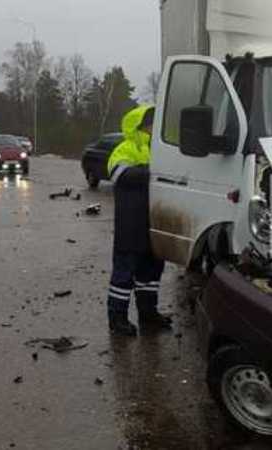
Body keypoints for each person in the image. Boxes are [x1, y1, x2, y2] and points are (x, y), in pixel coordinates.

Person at [106, 105, 172, 336]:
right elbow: (117, 174)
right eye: (152, 123)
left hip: (155, 223)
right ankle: (117, 319)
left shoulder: (161, 148)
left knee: (151, 273)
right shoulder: (125, 148)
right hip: (131, 224)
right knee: (124, 274)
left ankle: (148, 314)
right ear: (141, 125)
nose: (156, 127)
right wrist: (152, 171)